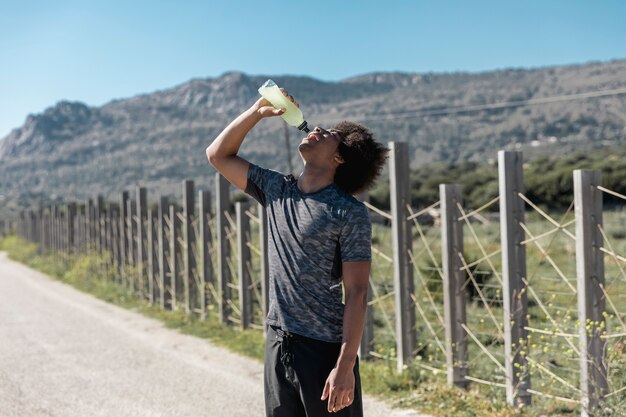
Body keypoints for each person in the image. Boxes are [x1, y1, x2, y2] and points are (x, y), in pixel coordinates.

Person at [205, 87, 388, 416]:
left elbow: (358, 292)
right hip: (278, 340)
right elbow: (218, 155)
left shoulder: (348, 212)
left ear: (339, 158)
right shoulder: (276, 188)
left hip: (324, 352)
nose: (316, 129)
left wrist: (344, 367)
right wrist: (255, 112)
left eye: (329, 134)